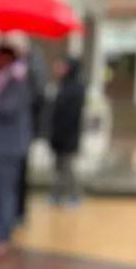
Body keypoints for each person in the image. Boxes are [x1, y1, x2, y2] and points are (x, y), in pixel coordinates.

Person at [0, 44, 32, 256]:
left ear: (6, 58)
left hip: (8, 146)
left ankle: (4, 235)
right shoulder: (2, 79)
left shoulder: (17, 81)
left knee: (5, 191)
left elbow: (8, 108)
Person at [49, 57, 86, 206]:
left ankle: (74, 196)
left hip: (69, 137)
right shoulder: (62, 86)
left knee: (68, 168)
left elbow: (70, 116)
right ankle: (57, 195)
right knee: (59, 168)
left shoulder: (76, 89)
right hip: (59, 136)